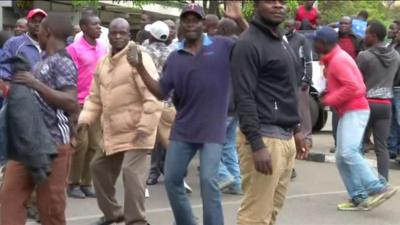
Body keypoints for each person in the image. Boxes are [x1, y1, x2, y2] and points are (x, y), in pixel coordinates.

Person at [133, 3, 241, 225]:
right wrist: (140, 68)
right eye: (187, 20)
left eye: (196, 19)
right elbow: (162, 91)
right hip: (183, 127)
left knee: (208, 181)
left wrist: (239, 19)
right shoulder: (175, 57)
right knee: (172, 179)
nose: (191, 23)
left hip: (212, 126)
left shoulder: (222, 45)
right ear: (182, 25)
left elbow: (252, 44)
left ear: (203, 24)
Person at [231, 1, 309, 224]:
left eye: (282, 1)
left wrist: (296, 129)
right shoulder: (247, 44)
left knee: (270, 212)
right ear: (256, 4)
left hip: (286, 138)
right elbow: (243, 97)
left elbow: (286, 87)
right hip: (265, 138)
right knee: (255, 216)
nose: (277, 5)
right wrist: (256, 144)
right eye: (270, 0)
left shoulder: (280, 40)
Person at [78, 18, 161, 225]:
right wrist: (86, 119)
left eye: (122, 33)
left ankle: (136, 221)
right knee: (97, 167)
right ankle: (113, 214)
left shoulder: (139, 58)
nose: (117, 36)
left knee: (131, 173)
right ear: (109, 36)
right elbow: (94, 97)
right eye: (114, 33)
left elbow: (153, 96)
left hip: (138, 129)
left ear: (129, 35)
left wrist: (146, 126)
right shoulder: (104, 63)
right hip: (114, 129)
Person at [0, 13, 79, 225]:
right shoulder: (42, 60)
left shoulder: (63, 61)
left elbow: (71, 102)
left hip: (53, 145)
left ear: (48, 32)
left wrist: (35, 84)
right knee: (10, 198)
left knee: (50, 207)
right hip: (27, 142)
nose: (37, 32)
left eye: (41, 29)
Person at [314, 26, 397, 210]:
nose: (314, 44)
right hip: (349, 110)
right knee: (341, 156)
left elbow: (355, 88)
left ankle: (378, 186)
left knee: (349, 152)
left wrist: (329, 99)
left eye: (316, 41)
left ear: (324, 43)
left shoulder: (338, 60)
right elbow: (355, 80)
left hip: (356, 109)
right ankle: (358, 196)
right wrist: (329, 92)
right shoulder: (336, 58)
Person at [66, 10, 108, 199]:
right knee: (80, 145)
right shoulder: (74, 49)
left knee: (94, 145)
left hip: (97, 103)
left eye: (100, 24)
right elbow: (69, 77)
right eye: (95, 24)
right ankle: (73, 183)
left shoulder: (102, 48)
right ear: (83, 27)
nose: (99, 27)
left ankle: (86, 182)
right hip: (80, 103)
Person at [356, 20, 400, 181]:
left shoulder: (364, 56)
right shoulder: (396, 55)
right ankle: (383, 182)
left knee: (358, 145)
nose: (364, 36)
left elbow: (356, 81)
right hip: (386, 104)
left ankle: (362, 183)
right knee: (382, 147)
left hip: (366, 103)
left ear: (374, 36)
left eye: (367, 33)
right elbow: (396, 78)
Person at [143, 20, 171, 186]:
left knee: (153, 138)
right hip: (167, 100)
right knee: (166, 138)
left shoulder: (144, 51)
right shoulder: (172, 52)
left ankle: (153, 172)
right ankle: (168, 170)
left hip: (148, 98)